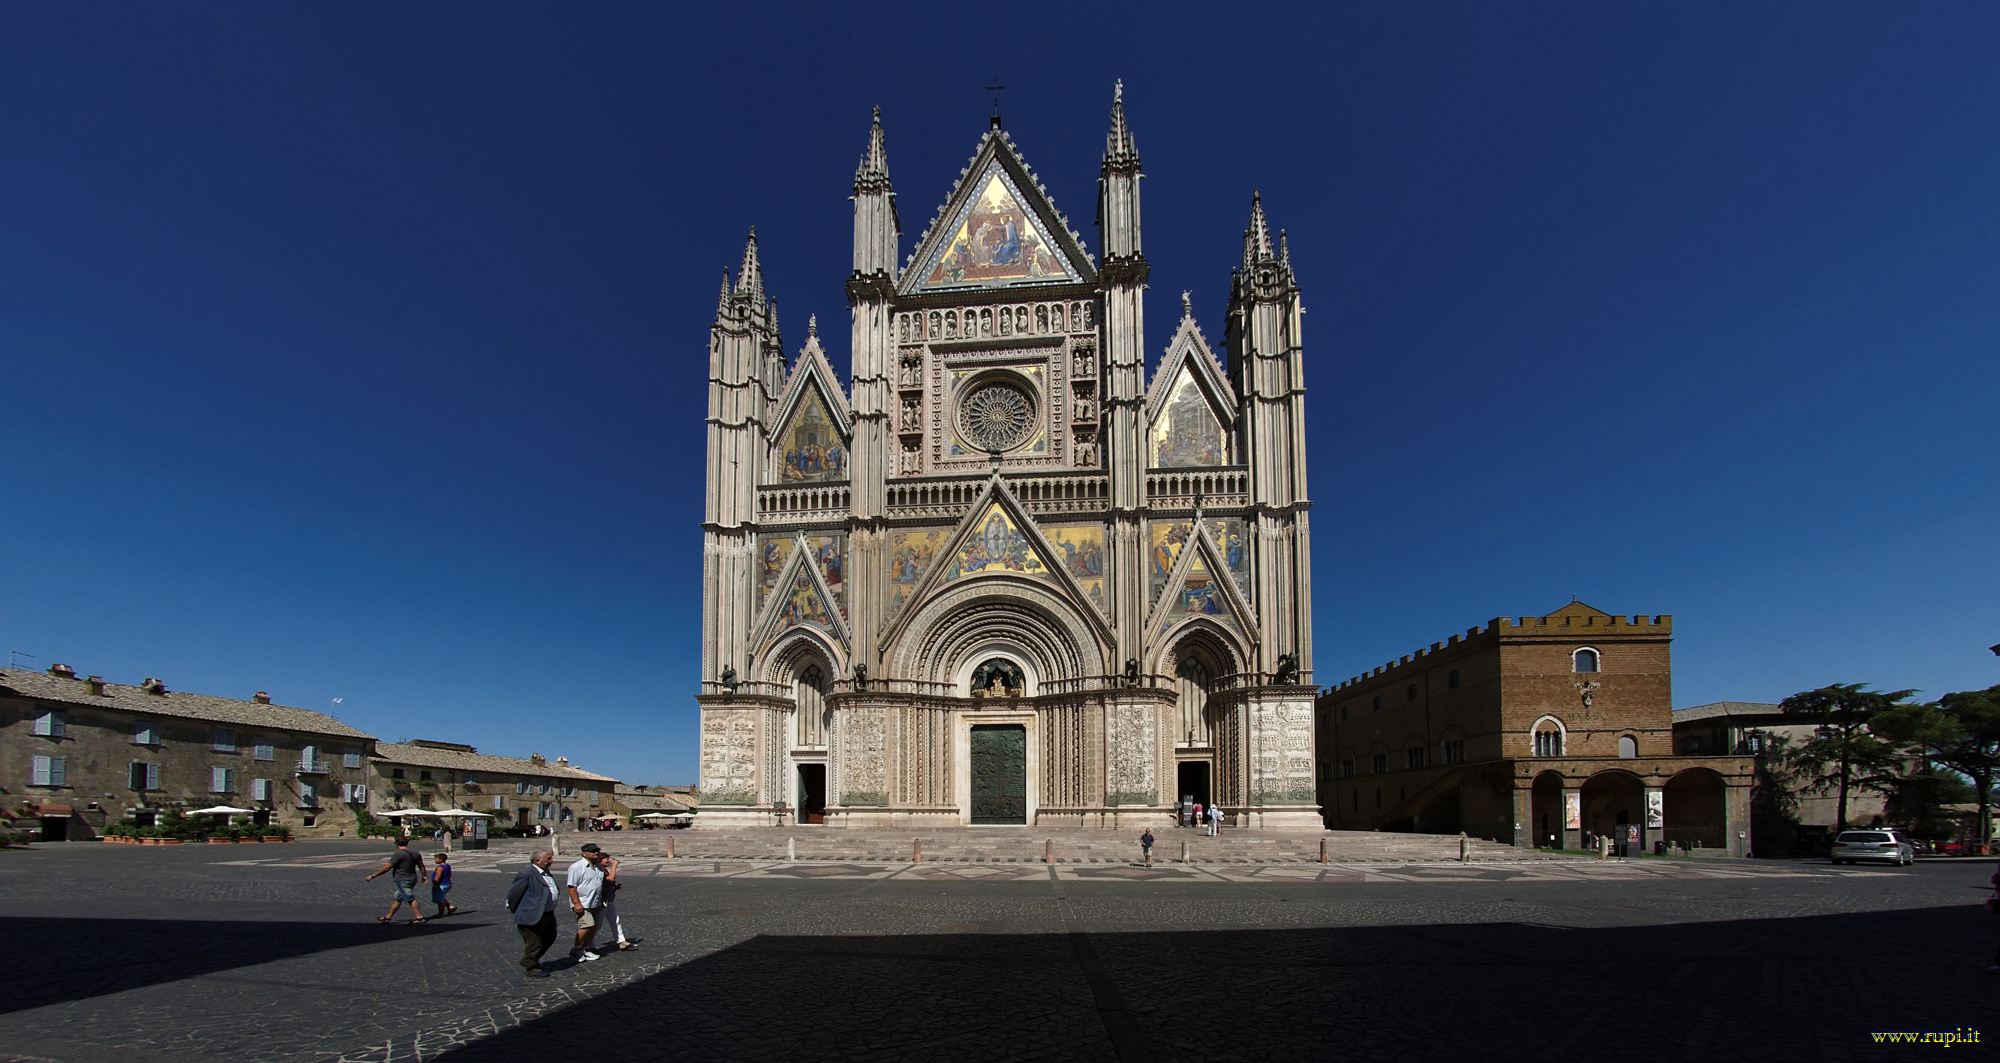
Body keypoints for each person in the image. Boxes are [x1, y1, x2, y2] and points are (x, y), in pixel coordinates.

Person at [505, 849, 561, 978]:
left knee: (550, 937)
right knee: (534, 942)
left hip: (547, 912)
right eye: (548, 859)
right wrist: (518, 910)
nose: (551, 861)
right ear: (537, 860)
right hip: (532, 914)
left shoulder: (545, 872)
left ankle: (528, 960)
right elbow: (514, 893)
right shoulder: (527, 873)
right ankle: (532, 968)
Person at [364, 838, 426, 924]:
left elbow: (387, 868)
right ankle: (388, 918)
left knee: (409, 898)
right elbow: (421, 865)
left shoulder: (398, 854)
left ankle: (419, 917)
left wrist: (373, 876)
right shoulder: (415, 853)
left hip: (402, 879)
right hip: (412, 878)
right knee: (398, 898)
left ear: (397, 844)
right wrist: (424, 876)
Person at [565, 842, 608, 962]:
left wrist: (604, 898)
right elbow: (571, 887)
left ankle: (587, 947)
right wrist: (576, 903)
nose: (596, 853)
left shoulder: (599, 867)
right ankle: (576, 949)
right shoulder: (576, 867)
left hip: (596, 902)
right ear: (584, 853)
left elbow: (601, 884)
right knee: (586, 925)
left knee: (594, 926)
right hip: (583, 903)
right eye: (593, 851)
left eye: (597, 850)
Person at [600, 850, 638, 951]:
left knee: (615, 921)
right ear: (600, 860)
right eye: (606, 859)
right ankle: (586, 945)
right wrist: (614, 865)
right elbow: (610, 878)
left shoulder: (604, 869)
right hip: (602, 900)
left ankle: (621, 941)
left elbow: (608, 882)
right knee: (596, 924)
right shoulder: (599, 869)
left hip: (609, 899)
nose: (608, 860)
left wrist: (614, 888)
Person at [430, 850, 457, 916]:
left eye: (436, 859)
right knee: (441, 897)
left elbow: (437, 878)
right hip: (447, 883)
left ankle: (441, 913)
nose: (434, 860)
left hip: (441, 884)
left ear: (441, 859)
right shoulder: (447, 865)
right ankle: (450, 907)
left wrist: (435, 885)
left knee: (438, 899)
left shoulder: (439, 868)